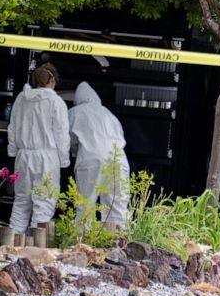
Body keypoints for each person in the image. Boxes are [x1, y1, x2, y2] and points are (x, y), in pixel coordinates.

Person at [7, 62, 70, 234]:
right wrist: (64, 161)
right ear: (52, 81)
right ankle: (34, 250)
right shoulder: (56, 102)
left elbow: (12, 127)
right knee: (43, 205)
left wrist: (13, 152)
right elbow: (61, 135)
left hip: (24, 156)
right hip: (47, 158)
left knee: (21, 203)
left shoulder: (21, 98)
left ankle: (11, 246)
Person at [68, 81, 130, 227]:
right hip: (118, 160)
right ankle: (117, 245)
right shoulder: (108, 113)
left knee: (85, 206)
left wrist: (75, 154)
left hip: (90, 160)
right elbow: (121, 137)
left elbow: (69, 141)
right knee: (116, 207)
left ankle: (82, 244)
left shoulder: (74, 112)